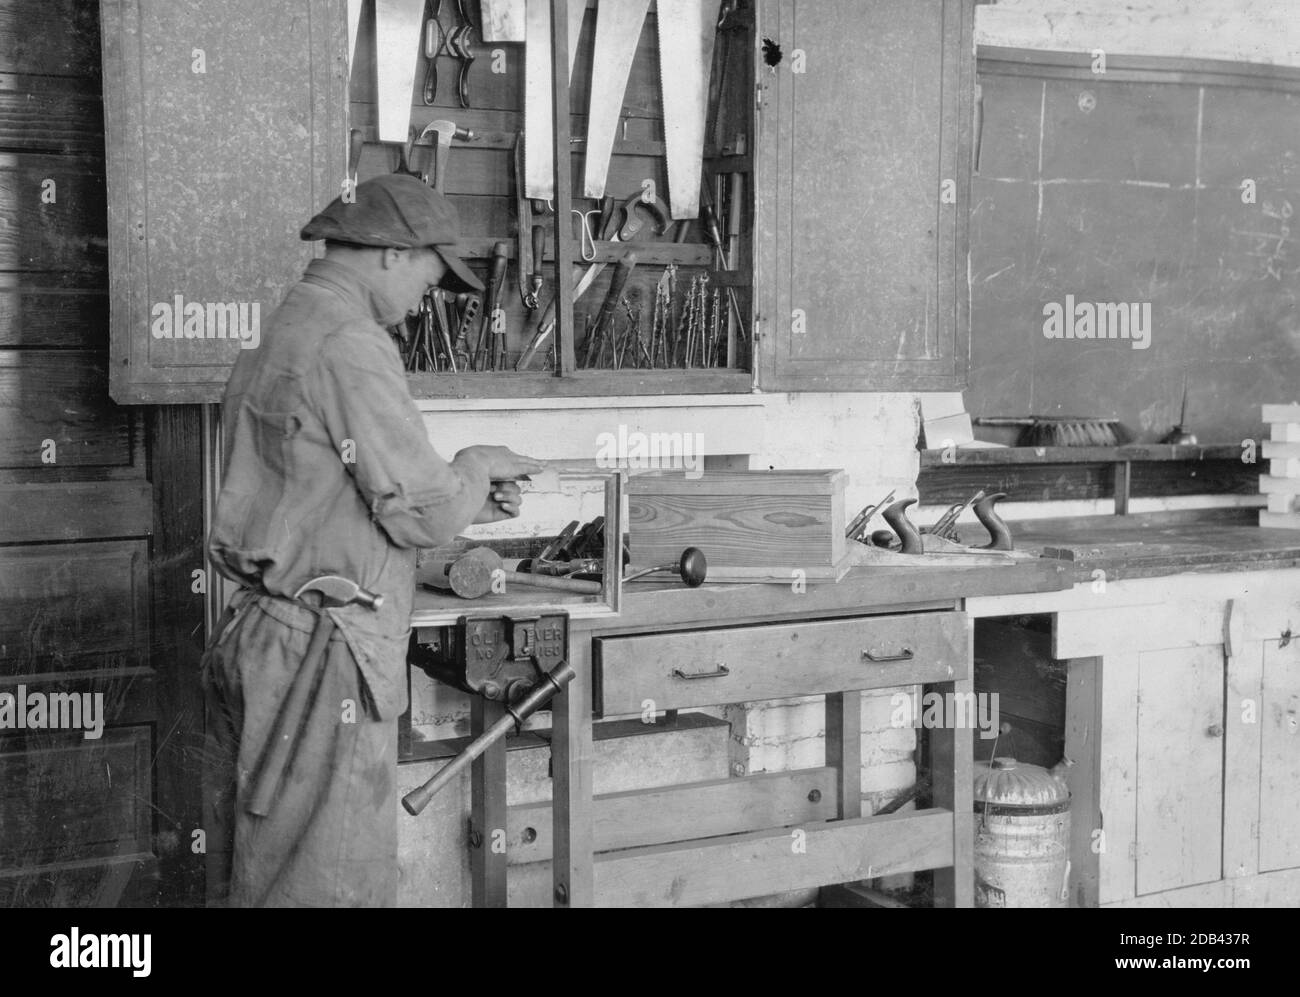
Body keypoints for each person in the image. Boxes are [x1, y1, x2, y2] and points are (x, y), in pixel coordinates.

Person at [201, 174, 542, 907]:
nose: (429, 293)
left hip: (268, 635)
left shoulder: (287, 323)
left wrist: (470, 504)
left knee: (262, 871)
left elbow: (323, 491)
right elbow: (418, 515)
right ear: (393, 252)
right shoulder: (351, 341)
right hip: (322, 659)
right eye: (431, 271)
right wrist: (475, 467)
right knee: (324, 884)